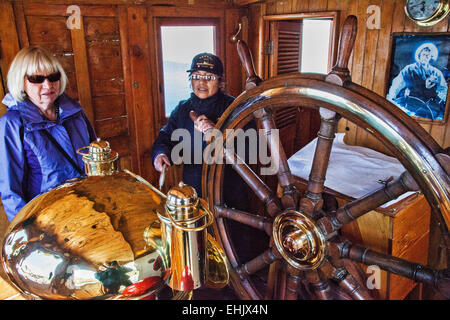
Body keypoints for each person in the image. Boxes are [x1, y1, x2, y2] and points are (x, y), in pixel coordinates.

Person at [0, 46, 96, 221]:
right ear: (21, 82)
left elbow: (95, 159)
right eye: (37, 78)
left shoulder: (75, 112)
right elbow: (10, 191)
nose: (48, 85)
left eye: (53, 77)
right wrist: (27, 230)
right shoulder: (13, 124)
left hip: (87, 209)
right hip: (46, 220)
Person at [152, 52, 236, 198]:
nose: (201, 82)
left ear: (220, 81)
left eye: (209, 77)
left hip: (229, 190)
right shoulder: (182, 109)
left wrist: (217, 132)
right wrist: (160, 154)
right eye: (196, 76)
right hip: (193, 189)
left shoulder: (235, 108)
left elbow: (249, 149)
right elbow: (165, 137)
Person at [387, 42, 448, 120]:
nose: (425, 57)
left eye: (427, 55)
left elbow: (443, 90)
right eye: (423, 55)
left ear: (431, 57)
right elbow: (397, 84)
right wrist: (391, 100)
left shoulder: (437, 73)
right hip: (410, 105)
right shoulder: (409, 69)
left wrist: (440, 97)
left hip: (429, 109)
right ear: (419, 55)